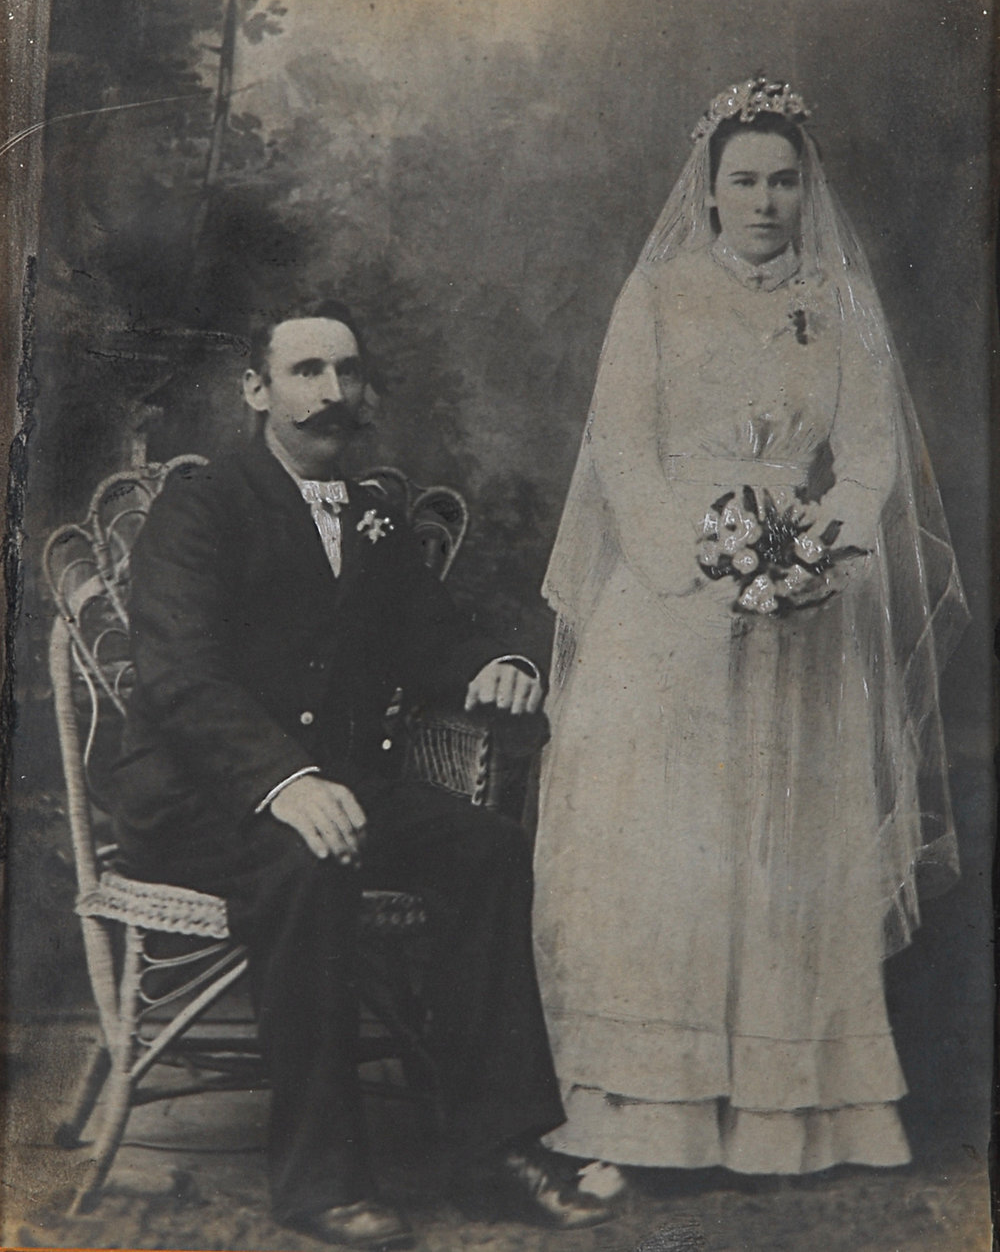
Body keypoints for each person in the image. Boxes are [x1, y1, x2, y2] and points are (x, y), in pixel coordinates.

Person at [533, 79, 968, 1188]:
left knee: (784, 855)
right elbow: (623, 450)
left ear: (802, 188)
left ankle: (787, 1118)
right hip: (672, 604)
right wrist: (710, 564)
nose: (764, 199)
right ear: (709, 189)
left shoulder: (840, 305)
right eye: (744, 179)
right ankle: (646, 1122)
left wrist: (805, 550)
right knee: (664, 854)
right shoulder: (661, 295)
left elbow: (869, 457)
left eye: (783, 179)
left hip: (805, 613)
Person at [112, 300, 612, 1247]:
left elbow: (427, 637)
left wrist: (487, 667)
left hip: (340, 782)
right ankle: (321, 1180)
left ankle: (493, 1149)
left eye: (346, 373)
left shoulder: (378, 512)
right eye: (305, 372)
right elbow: (182, 676)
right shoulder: (203, 505)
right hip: (201, 795)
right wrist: (282, 784)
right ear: (257, 390)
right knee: (304, 865)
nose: (331, 394)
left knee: (485, 848)